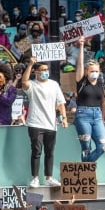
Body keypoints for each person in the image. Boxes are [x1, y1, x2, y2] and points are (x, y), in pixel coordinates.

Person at [21, 57, 67, 187]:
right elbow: (24, 82)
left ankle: (49, 178)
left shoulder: (54, 84)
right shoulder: (32, 84)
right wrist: (30, 64)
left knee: (50, 152)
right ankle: (35, 178)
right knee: (36, 151)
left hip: (51, 124)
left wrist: (64, 118)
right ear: (36, 72)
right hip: (35, 123)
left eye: (47, 69)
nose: (45, 72)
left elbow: (61, 102)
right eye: (42, 70)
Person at [74, 38, 105, 162]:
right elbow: (79, 64)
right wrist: (82, 46)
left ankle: (86, 168)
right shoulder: (82, 81)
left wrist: (103, 117)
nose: (94, 73)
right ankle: (87, 174)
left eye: (96, 71)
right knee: (86, 147)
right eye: (92, 71)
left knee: (103, 147)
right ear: (87, 71)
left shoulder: (101, 82)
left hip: (97, 115)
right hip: (83, 114)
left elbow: (103, 101)